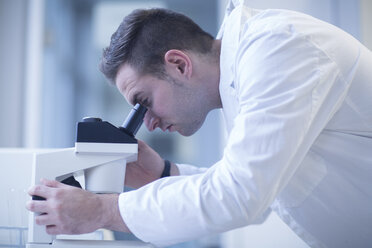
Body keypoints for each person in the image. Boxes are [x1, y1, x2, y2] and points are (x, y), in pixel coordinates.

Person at [27, 0, 372, 247]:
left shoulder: (276, 49)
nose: (147, 122)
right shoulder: (247, 74)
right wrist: (163, 173)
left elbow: (240, 196)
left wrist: (103, 210)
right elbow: (262, 193)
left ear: (178, 64)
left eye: (143, 101)